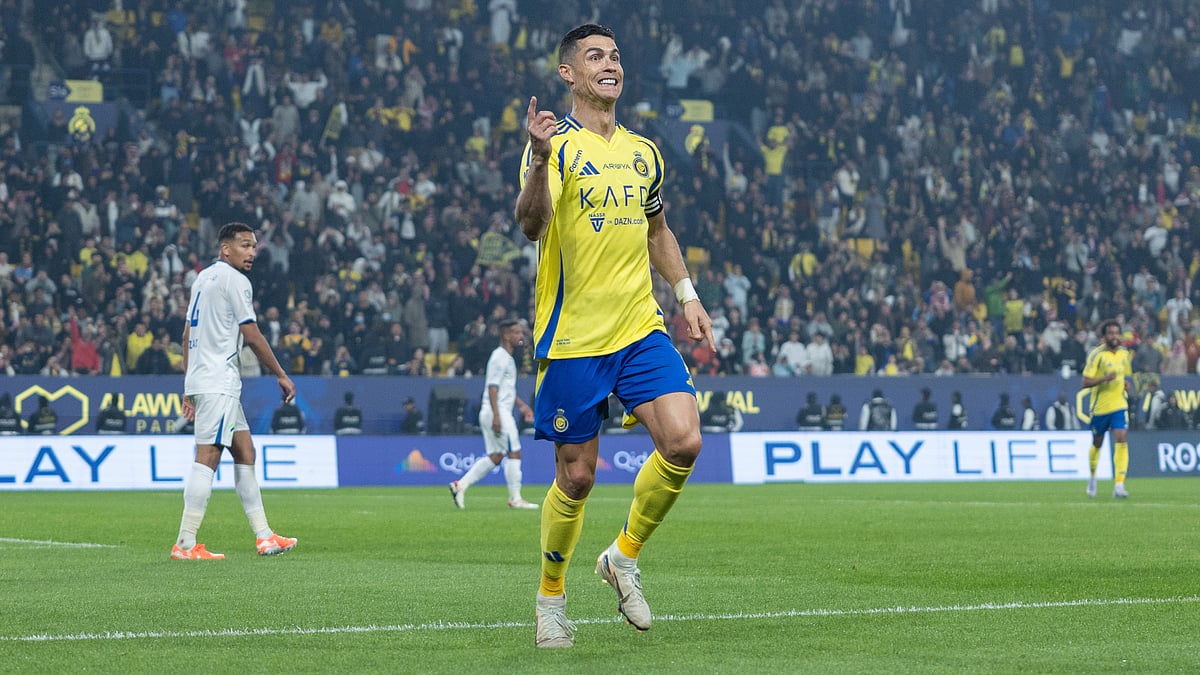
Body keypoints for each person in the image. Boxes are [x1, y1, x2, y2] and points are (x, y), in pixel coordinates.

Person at [516, 23, 715, 649]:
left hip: (638, 327)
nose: (610, 65)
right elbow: (530, 225)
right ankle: (550, 598)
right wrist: (540, 159)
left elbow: (658, 231)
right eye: (594, 57)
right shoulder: (555, 146)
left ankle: (622, 556)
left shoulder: (643, 151)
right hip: (573, 336)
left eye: (615, 56)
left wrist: (687, 296)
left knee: (684, 440)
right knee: (576, 478)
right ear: (568, 75)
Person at [172, 222, 298, 561]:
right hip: (219, 381)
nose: (252, 253)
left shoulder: (202, 279)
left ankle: (264, 536)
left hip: (205, 379)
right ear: (225, 249)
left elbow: (186, 337)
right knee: (208, 456)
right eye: (245, 245)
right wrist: (281, 375)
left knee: (245, 452)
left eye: (254, 246)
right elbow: (252, 335)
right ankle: (185, 543)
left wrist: (189, 387)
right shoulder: (235, 280)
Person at [448, 318, 539, 510]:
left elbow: (505, 389)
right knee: (514, 451)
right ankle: (515, 498)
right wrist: (497, 416)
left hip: (493, 410)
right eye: (516, 332)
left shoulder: (507, 357)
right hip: (497, 411)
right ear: (505, 335)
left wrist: (522, 406)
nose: (521, 336)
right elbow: (492, 388)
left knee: (496, 456)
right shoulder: (499, 357)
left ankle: (460, 485)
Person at [1081, 319, 1133, 498]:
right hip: (1100, 408)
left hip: (1119, 404)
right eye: (1111, 333)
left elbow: (1123, 376)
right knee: (1097, 443)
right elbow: (1085, 382)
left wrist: (1125, 384)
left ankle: (1119, 484)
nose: (1115, 336)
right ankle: (1093, 477)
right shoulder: (1096, 355)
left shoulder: (1124, 354)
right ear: (1104, 336)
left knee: (1121, 438)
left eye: (1117, 333)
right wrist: (1104, 379)